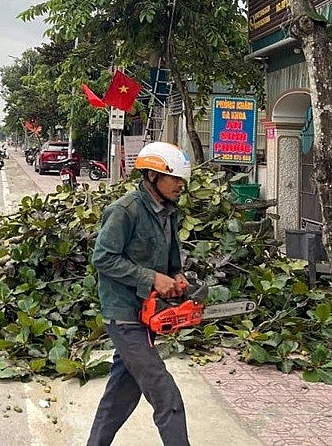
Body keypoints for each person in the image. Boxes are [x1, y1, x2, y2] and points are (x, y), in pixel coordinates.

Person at [87, 141, 192, 446]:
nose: (180, 185)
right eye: (175, 179)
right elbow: (103, 258)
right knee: (166, 394)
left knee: (121, 393)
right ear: (152, 177)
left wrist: (176, 276)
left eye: (182, 179)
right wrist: (151, 278)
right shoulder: (125, 210)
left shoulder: (169, 212)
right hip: (123, 313)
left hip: (149, 312)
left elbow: (173, 258)